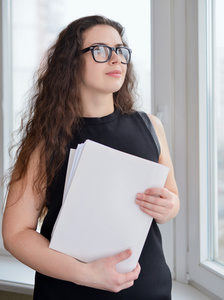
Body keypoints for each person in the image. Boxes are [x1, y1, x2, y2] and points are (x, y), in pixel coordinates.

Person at [2, 15, 180, 299]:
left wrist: (168, 206)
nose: (116, 59)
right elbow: (15, 234)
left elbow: (171, 200)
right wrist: (86, 274)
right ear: (71, 62)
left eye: (120, 50)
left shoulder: (151, 126)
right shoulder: (45, 140)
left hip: (150, 289)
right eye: (100, 50)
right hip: (70, 291)